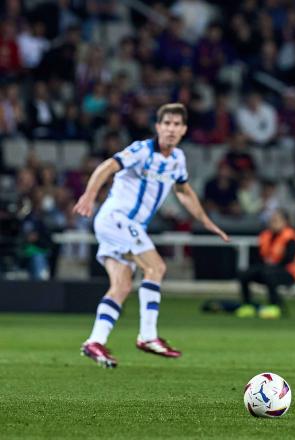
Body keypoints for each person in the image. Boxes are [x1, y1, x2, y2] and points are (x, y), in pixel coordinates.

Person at [73, 103, 230, 368]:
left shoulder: (177, 159)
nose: (171, 129)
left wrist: (206, 221)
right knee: (156, 267)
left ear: (184, 129)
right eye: (166, 123)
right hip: (117, 218)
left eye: (176, 124)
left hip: (124, 226)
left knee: (121, 286)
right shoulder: (141, 150)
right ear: (158, 127)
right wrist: (89, 196)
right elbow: (107, 166)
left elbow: (184, 192)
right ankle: (147, 336)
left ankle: (94, 341)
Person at [235, 209, 295, 319]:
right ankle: (248, 305)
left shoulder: (290, 237)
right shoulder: (265, 236)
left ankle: (274, 306)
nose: (273, 222)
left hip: (289, 272)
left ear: (285, 222)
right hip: (268, 269)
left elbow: (289, 259)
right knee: (244, 273)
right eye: (272, 220)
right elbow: (259, 257)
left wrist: (270, 267)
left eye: (276, 220)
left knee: (269, 274)